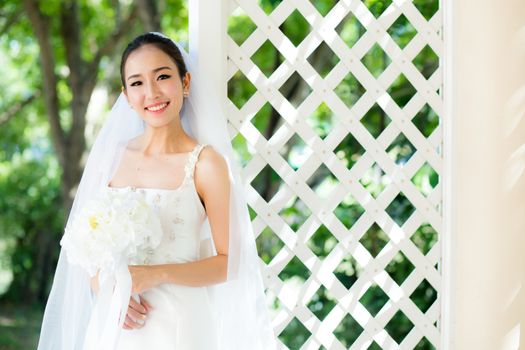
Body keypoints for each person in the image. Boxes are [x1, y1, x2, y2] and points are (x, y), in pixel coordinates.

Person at [37, 32, 276, 349]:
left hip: (180, 326)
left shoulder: (206, 164)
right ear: (126, 95)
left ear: (185, 82)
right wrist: (106, 289)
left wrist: (155, 275)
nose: (151, 92)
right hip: (116, 324)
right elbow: (87, 253)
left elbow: (230, 262)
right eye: (136, 83)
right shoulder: (111, 158)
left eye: (162, 76)